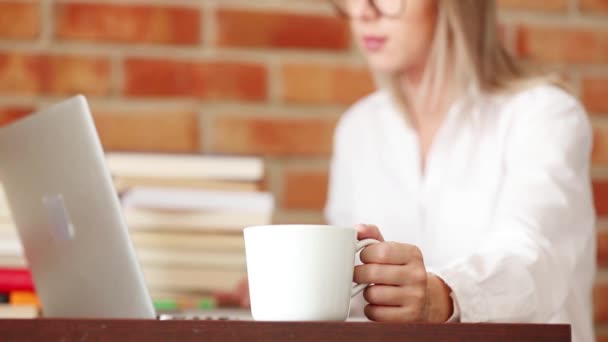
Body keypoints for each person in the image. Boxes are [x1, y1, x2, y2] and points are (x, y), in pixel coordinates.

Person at [220, 1, 596, 341]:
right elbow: (355, 301)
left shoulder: (545, 115)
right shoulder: (359, 128)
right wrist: (303, 287)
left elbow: (534, 259)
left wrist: (441, 296)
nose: (362, 12)